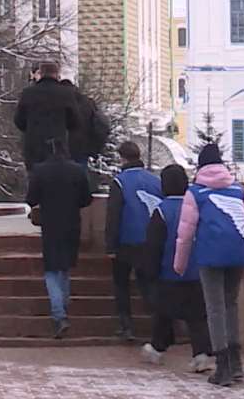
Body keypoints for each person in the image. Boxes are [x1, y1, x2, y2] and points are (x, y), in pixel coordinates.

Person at [174, 143, 244, 387]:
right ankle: (236, 364)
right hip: (238, 254)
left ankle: (222, 367)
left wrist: (179, 264)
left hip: (211, 256)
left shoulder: (196, 193)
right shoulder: (238, 190)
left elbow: (185, 233)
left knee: (215, 308)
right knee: (231, 304)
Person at [140, 163, 213, 374]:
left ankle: (156, 348)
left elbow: (154, 244)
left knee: (164, 312)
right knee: (197, 316)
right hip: (197, 271)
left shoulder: (162, 211)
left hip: (169, 271)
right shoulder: (197, 207)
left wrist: (150, 271)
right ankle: (201, 353)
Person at [25, 144, 93, 339]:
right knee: (64, 268)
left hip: (51, 225)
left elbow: (31, 199)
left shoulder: (40, 171)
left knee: (52, 269)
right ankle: (62, 306)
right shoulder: (77, 170)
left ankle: (59, 314)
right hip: (72, 224)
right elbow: (86, 199)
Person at [105, 141, 162, 341]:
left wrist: (110, 245)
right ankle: (159, 324)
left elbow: (114, 214)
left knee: (121, 284)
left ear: (122, 158)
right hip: (152, 241)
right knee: (148, 284)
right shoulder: (156, 181)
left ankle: (126, 325)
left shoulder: (119, 182)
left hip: (126, 240)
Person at [13, 61, 80, 170]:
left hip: (33, 149)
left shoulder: (28, 93)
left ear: (41, 74)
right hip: (57, 148)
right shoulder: (66, 94)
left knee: (35, 182)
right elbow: (75, 121)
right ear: (57, 74)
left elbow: (19, 121)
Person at [60, 78, 110, 170]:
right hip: (81, 149)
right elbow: (100, 125)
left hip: (59, 150)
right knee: (79, 179)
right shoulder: (87, 102)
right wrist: (94, 148)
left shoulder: (56, 102)